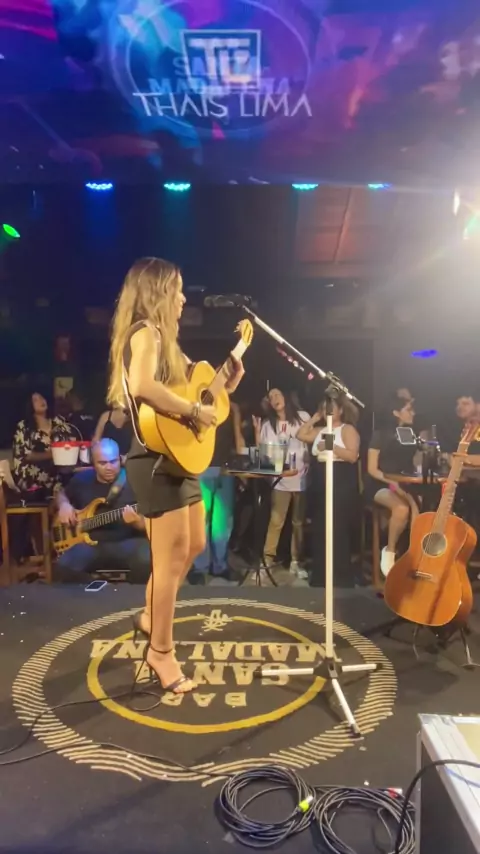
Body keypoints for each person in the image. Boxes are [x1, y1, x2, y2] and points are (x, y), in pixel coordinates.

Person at [107, 257, 245, 694]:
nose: (184, 298)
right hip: (153, 461)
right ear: (158, 292)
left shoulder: (168, 343)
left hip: (177, 458)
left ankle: (152, 615)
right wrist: (192, 409)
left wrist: (226, 384)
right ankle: (160, 653)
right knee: (169, 559)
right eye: (178, 289)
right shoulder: (145, 333)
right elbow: (144, 387)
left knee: (196, 543)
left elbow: (199, 404)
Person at [55, 438, 150, 580]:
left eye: (113, 461)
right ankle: (96, 590)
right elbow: (61, 494)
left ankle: (131, 593)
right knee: (64, 566)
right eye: (102, 463)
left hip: (127, 542)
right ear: (93, 463)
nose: (109, 467)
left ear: (120, 459)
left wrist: (138, 523)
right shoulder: (82, 479)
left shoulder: (136, 481)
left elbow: (154, 522)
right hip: (89, 545)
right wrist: (63, 505)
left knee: (148, 561)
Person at [297, 393, 360, 587]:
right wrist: (314, 418)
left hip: (340, 479)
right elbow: (300, 435)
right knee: (320, 526)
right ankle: (320, 576)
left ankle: (340, 577)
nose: (328, 412)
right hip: (320, 479)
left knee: (337, 527)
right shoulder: (320, 429)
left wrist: (330, 445)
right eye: (324, 409)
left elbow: (352, 456)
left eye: (331, 408)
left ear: (340, 410)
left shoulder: (347, 429)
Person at [254, 388, 310, 579]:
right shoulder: (268, 425)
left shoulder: (302, 417)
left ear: (285, 396)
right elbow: (263, 455)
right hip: (281, 481)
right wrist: (257, 433)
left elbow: (313, 439)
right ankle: (266, 563)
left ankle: (296, 562)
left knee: (298, 522)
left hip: (302, 478)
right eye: (271, 397)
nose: (275, 398)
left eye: (277, 394)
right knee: (276, 521)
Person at [365, 394, 419, 577]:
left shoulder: (410, 434)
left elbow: (414, 463)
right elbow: (372, 469)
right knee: (402, 508)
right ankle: (390, 550)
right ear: (396, 412)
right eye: (408, 409)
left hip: (405, 483)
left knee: (418, 505)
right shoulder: (380, 435)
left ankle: (415, 554)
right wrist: (393, 482)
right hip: (381, 483)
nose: (413, 413)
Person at [12, 391, 74, 497]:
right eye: (36, 400)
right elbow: (26, 455)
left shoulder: (59, 422)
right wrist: (54, 454)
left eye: (42, 398)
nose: (41, 401)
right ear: (30, 406)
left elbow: (68, 443)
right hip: (31, 478)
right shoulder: (24, 426)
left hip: (57, 475)